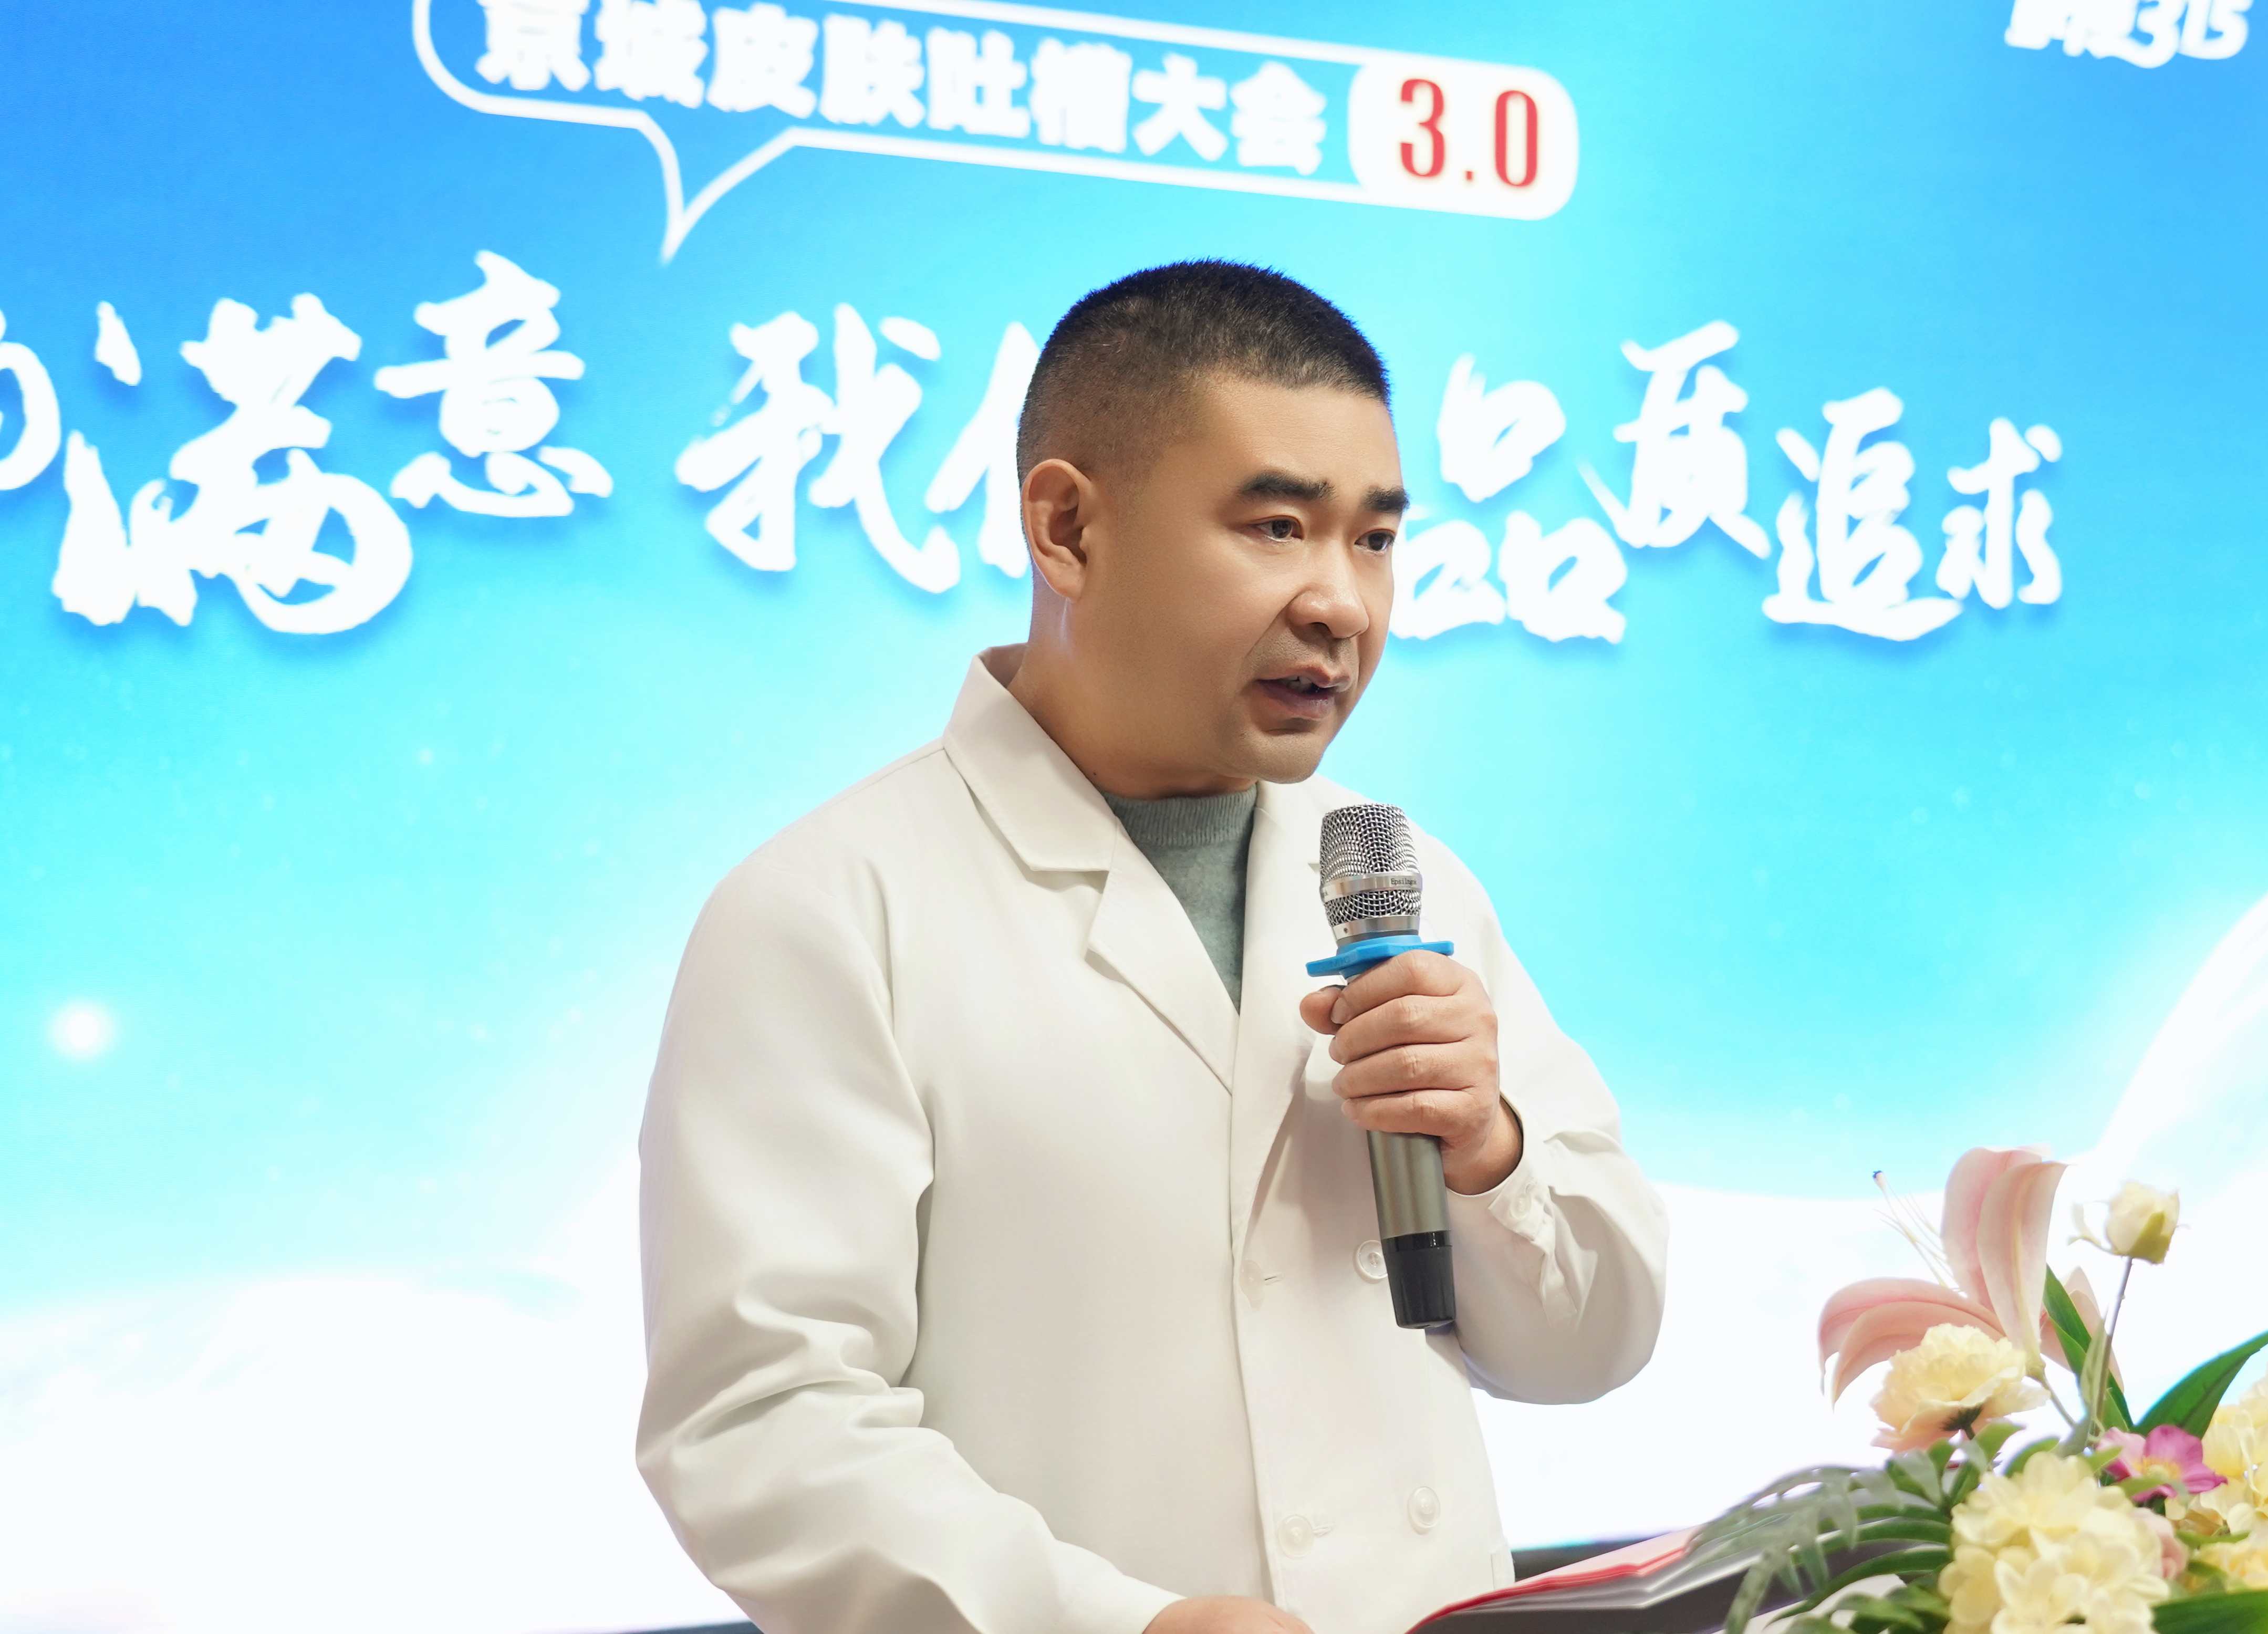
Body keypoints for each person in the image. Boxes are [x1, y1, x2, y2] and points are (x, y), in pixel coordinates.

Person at [636, 262, 1669, 1634]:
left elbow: (1592, 1343)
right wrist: (1120, 1626)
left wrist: (1488, 1149)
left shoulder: (1401, 879)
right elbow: (763, 1423)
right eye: (1277, 527)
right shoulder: (830, 908)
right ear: (1067, 529)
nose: (1342, 604)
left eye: (1373, 539)